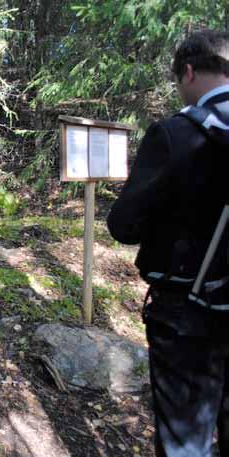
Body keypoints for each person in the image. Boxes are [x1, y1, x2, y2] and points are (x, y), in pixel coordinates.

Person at [107, 30, 229, 456]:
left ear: (189, 71)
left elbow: (124, 224)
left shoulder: (176, 134)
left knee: (185, 441)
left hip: (186, 313)